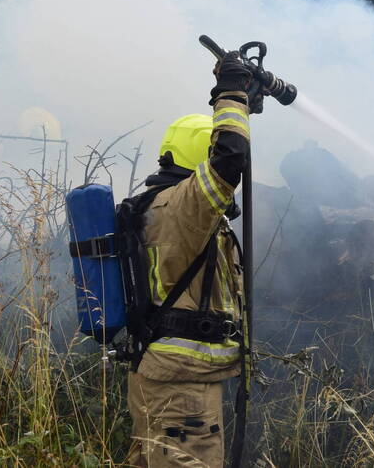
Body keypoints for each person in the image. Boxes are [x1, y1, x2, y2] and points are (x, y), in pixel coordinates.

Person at [126, 51, 254, 467]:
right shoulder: (186, 205)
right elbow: (231, 158)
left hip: (160, 374)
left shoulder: (156, 204)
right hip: (184, 388)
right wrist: (231, 95)